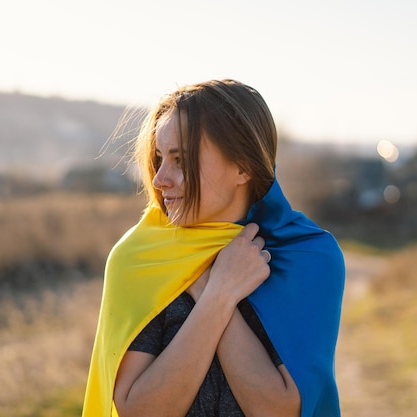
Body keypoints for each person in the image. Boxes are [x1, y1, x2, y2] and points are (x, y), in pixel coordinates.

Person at [82, 79, 345, 417]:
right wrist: (218, 293)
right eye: (159, 158)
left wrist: (212, 286)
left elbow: (280, 411)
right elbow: (139, 410)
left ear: (243, 166)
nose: (160, 179)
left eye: (181, 160)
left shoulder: (307, 258)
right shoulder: (142, 258)